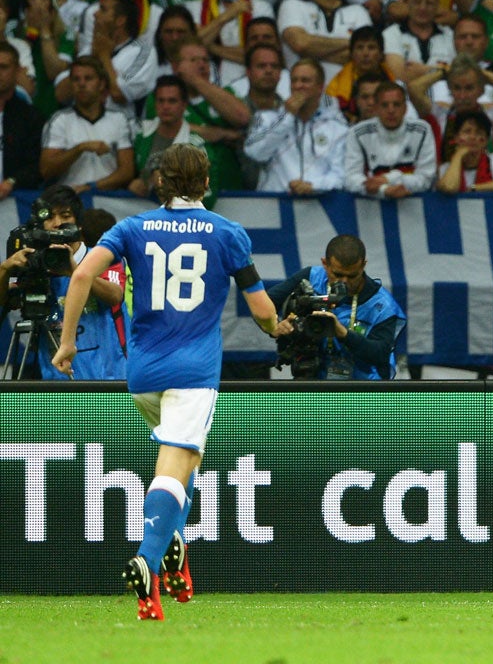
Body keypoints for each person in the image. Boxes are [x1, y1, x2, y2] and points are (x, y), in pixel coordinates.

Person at [51, 143, 277, 622]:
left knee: (184, 461)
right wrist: (279, 327)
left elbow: (81, 277)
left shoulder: (132, 227)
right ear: (206, 183)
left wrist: (67, 342)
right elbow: (261, 311)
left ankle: (174, 545)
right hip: (193, 373)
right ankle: (147, 560)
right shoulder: (227, 233)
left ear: (159, 181)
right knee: (176, 463)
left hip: (142, 374)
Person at [1, 184, 126, 380]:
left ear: (79, 223)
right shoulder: (37, 266)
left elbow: (115, 295)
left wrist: (74, 272)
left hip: (108, 380)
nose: (57, 223)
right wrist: (4, 270)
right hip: (57, 385)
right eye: (49, 217)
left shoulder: (101, 258)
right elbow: (7, 301)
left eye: (65, 215)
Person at [268, 233, 406, 380]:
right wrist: (273, 326)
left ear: (363, 265)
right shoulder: (311, 278)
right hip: (314, 381)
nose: (344, 282)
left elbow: (380, 355)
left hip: (366, 389)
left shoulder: (384, 306)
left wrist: (343, 333)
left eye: (352, 276)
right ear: (325, 264)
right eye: (338, 274)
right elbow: (265, 303)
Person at [244, 59, 348, 195]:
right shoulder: (265, 118)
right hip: (274, 205)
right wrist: (287, 117)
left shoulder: (338, 129)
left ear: (320, 87)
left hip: (319, 206)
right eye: (294, 81)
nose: (298, 86)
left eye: (305, 81)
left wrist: (313, 186)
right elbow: (255, 153)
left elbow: (341, 175)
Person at [40, 54, 135, 192]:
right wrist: (80, 149)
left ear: (101, 84)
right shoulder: (59, 120)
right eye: (76, 79)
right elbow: (46, 170)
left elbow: (127, 172)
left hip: (109, 200)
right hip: (70, 199)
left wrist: (91, 187)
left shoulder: (119, 119)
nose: (82, 84)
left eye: (88, 78)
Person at [343, 81, 437, 198]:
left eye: (396, 104)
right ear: (376, 108)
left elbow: (426, 178)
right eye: (384, 105)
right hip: (372, 206)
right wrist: (384, 190)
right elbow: (351, 178)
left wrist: (389, 178)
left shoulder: (422, 130)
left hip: (414, 204)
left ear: (405, 108)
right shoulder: (358, 133)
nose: (391, 110)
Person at [130, 75, 208, 198]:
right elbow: (137, 172)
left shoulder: (195, 145)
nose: (165, 107)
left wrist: (169, 185)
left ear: (184, 105)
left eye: (172, 101)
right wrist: (139, 182)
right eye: (161, 101)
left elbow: (206, 196)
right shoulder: (141, 134)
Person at [436, 108, 493, 194]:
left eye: (479, 133)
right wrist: (458, 155)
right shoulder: (446, 167)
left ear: (485, 140)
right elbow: (449, 187)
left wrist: (474, 188)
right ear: (456, 138)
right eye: (467, 132)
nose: (472, 137)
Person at [0, 41, 44, 198]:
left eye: (3, 67)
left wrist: (12, 182)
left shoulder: (31, 118)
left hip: (17, 200)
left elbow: (37, 165)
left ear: (18, 71)